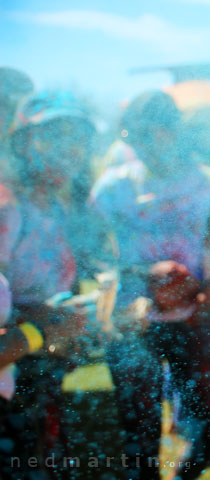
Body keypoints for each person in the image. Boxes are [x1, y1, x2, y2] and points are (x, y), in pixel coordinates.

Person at [90, 90, 210, 479]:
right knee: (139, 433)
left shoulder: (207, 183)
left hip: (192, 320)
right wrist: (140, 275)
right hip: (133, 325)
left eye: (152, 134)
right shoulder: (113, 188)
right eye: (133, 136)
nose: (143, 145)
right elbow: (89, 256)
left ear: (174, 132)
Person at [1, 90, 96, 479]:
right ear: (24, 141)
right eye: (55, 135)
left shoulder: (57, 207)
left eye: (78, 138)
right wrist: (47, 320)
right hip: (11, 381)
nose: (70, 149)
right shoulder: (8, 208)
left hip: (45, 373)